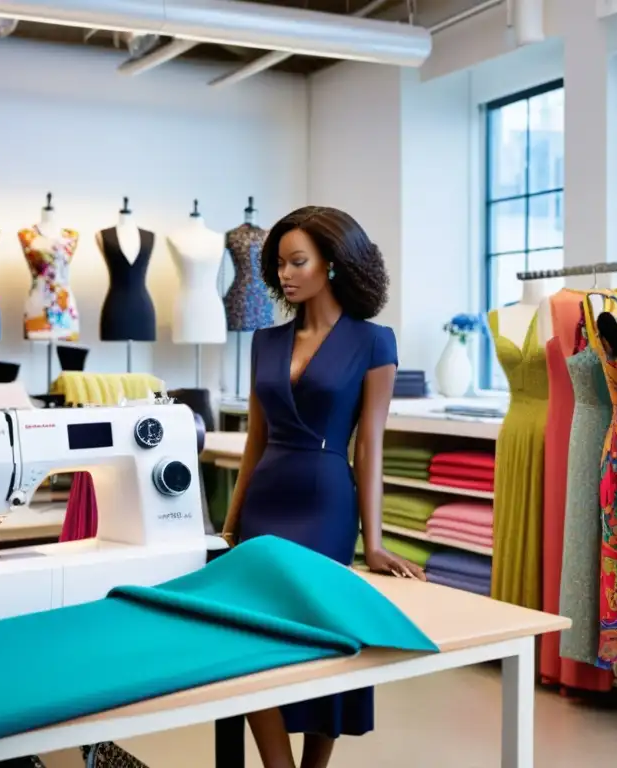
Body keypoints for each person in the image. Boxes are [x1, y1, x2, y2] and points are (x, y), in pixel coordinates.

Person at [220, 206, 424, 768]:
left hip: (327, 504)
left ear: (331, 265)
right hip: (266, 500)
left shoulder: (374, 342)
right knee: (255, 639)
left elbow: (370, 446)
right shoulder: (264, 341)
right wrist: (232, 524)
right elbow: (254, 442)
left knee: (324, 634)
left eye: (297, 261)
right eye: (279, 263)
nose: (284, 274)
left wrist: (375, 543)